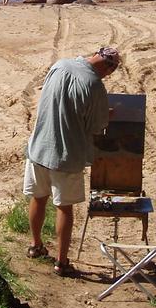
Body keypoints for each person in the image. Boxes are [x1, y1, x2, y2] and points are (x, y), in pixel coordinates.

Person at [24, 46, 120, 276]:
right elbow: (97, 127)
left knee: (38, 198)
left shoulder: (60, 64)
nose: (107, 76)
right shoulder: (95, 85)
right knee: (64, 208)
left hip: (38, 146)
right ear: (108, 66)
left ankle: (35, 246)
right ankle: (61, 261)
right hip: (66, 154)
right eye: (111, 72)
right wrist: (108, 115)